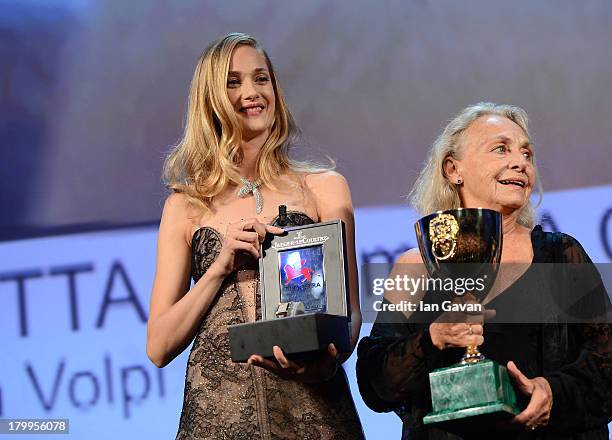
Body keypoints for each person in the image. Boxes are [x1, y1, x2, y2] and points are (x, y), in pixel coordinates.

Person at [146, 33, 364, 439]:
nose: (252, 92)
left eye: (261, 79)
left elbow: (350, 313)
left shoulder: (325, 188)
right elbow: (158, 346)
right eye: (233, 82)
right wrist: (217, 269)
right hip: (218, 417)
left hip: (314, 411)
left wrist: (329, 361)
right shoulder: (185, 206)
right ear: (210, 99)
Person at [356, 102, 611, 439]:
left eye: (527, 154)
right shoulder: (415, 266)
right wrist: (434, 338)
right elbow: (377, 384)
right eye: (501, 148)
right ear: (453, 169)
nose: (520, 163)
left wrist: (552, 391)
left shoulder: (561, 255)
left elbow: (607, 366)